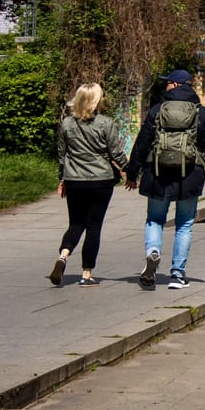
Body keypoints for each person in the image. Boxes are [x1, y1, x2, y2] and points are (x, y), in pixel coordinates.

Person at [124, 70, 205, 290]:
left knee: (155, 219)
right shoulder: (201, 113)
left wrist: (133, 173)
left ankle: (153, 252)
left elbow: (142, 143)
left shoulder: (157, 111)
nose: (165, 86)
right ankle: (177, 274)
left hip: (158, 173)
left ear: (176, 85)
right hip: (190, 175)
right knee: (185, 224)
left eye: (168, 83)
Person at [51, 83, 130, 287]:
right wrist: (130, 170)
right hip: (100, 181)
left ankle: (63, 255)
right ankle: (86, 274)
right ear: (97, 101)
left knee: (76, 223)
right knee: (94, 227)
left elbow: (62, 154)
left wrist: (62, 179)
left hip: (74, 180)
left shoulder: (67, 123)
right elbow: (116, 152)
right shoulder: (105, 123)